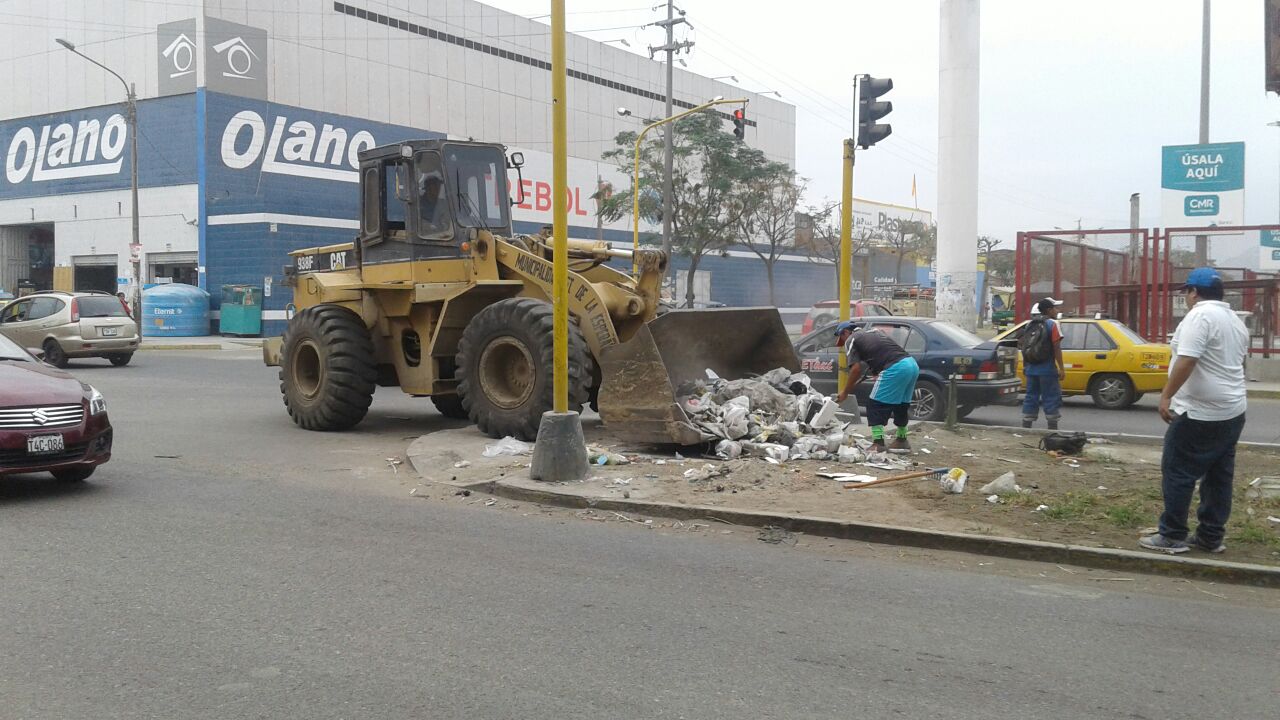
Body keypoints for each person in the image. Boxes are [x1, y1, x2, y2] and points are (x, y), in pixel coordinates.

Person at [1139, 267, 1248, 555]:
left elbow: (1187, 360)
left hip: (1200, 413)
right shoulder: (1234, 320)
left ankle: (1172, 535)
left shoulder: (1199, 316)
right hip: (1232, 410)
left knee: (1177, 471)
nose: (1186, 297)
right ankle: (1210, 537)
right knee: (1218, 476)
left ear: (1194, 292)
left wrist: (1166, 396)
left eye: (1186, 292)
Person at [833, 321, 920, 453]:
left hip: (894, 368)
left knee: (875, 404)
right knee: (901, 405)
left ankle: (878, 443)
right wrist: (877, 371)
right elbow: (882, 352)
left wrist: (845, 392)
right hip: (911, 364)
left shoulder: (851, 339)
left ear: (845, 332)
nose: (842, 342)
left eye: (842, 338)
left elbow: (855, 369)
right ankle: (902, 440)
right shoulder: (875, 332)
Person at [1019, 297, 1066, 430]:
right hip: (1047, 369)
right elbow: (1056, 348)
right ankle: (1052, 428)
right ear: (1049, 310)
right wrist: (1061, 368)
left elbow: (1025, 347)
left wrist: (1025, 366)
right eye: (1055, 308)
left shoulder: (1029, 324)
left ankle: (1026, 427)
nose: (1057, 311)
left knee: (1030, 396)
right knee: (1051, 396)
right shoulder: (1052, 324)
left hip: (1031, 369)